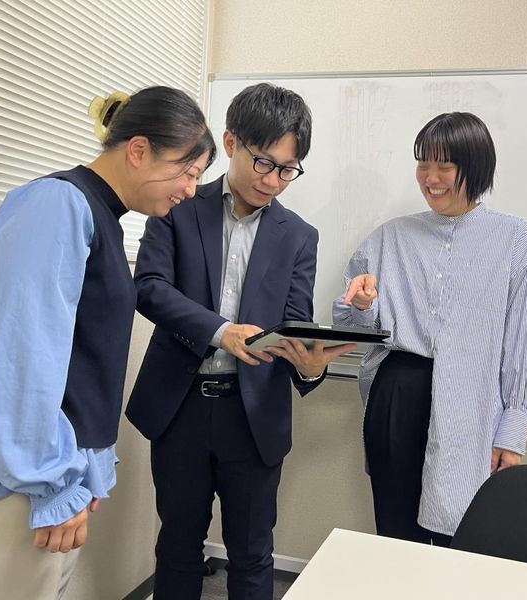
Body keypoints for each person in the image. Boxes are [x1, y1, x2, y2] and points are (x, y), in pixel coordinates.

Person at [0, 86, 216, 600]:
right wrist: (51, 482)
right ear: (139, 150)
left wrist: (74, 476)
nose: (190, 189)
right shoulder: (57, 202)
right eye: (187, 170)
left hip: (37, 480)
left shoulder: (99, 215)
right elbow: (18, 354)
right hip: (9, 482)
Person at [125, 82, 353, 600]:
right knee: (177, 546)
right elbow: (149, 287)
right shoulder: (179, 202)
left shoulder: (299, 236)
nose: (273, 181)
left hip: (253, 418)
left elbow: (295, 322)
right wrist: (220, 332)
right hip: (180, 408)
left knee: (252, 554)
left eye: (288, 169)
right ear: (230, 143)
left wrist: (311, 367)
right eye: (264, 163)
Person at [333, 112, 527, 546]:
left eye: (445, 166)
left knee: (465, 534)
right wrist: (361, 304)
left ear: (476, 168)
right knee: (396, 532)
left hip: (475, 399)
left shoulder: (515, 240)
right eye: (423, 164)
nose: (430, 178)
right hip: (397, 391)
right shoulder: (390, 237)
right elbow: (357, 327)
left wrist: (513, 432)